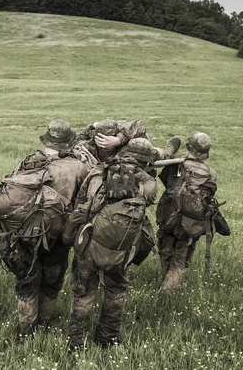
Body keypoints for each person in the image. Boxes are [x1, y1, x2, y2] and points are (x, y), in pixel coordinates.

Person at [63, 138, 158, 350]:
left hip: (88, 244)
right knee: (116, 292)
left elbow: (79, 204)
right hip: (121, 250)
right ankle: (108, 339)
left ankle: (76, 343)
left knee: (83, 293)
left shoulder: (97, 172)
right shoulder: (147, 183)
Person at [0, 120, 89, 336]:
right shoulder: (77, 167)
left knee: (26, 283)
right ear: (68, 143)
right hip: (58, 238)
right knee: (52, 282)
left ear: (47, 139)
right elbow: (84, 202)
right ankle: (44, 324)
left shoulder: (29, 161)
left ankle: (25, 330)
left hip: (25, 235)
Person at [155, 132, 217, 295]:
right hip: (191, 224)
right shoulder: (211, 173)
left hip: (169, 218)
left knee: (166, 253)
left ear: (189, 147)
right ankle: (168, 292)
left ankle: (166, 293)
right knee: (180, 261)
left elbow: (166, 181)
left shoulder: (174, 164)